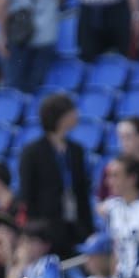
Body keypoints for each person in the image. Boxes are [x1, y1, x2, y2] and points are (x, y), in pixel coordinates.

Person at [19, 92, 93, 257]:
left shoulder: (76, 150)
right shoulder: (32, 152)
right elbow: (27, 193)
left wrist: (88, 229)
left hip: (75, 225)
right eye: (72, 111)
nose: (76, 115)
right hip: (47, 228)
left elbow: (82, 191)